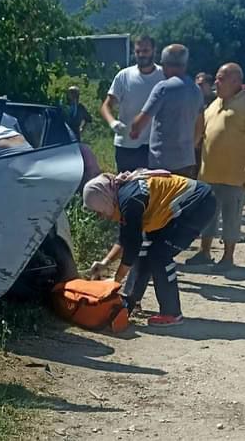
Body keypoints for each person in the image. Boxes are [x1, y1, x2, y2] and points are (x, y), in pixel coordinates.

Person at [83, 169, 217, 327]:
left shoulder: (130, 201)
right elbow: (126, 238)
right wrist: (105, 263)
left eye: (98, 211)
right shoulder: (120, 196)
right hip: (187, 203)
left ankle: (172, 313)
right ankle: (131, 301)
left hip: (198, 203)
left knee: (159, 254)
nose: (100, 216)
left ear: (103, 199)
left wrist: (114, 282)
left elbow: (131, 247)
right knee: (147, 247)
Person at [186, 63, 245, 272]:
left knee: (231, 216)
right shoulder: (214, 104)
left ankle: (228, 257)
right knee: (207, 214)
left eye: (221, 78)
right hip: (209, 172)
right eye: (216, 78)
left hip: (235, 174)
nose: (216, 82)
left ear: (235, 81)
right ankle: (204, 252)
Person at [129, 44, 203, 176]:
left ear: (165, 65)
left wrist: (134, 129)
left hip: (162, 163)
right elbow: (200, 125)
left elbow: (139, 123)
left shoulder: (163, 88)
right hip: (187, 162)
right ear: (185, 64)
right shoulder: (196, 90)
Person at [100, 36, 165, 172]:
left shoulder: (163, 75)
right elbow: (106, 106)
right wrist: (113, 123)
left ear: (154, 51)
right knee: (126, 187)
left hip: (155, 146)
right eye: (138, 51)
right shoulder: (124, 76)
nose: (141, 55)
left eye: (145, 50)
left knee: (153, 189)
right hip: (126, 145)